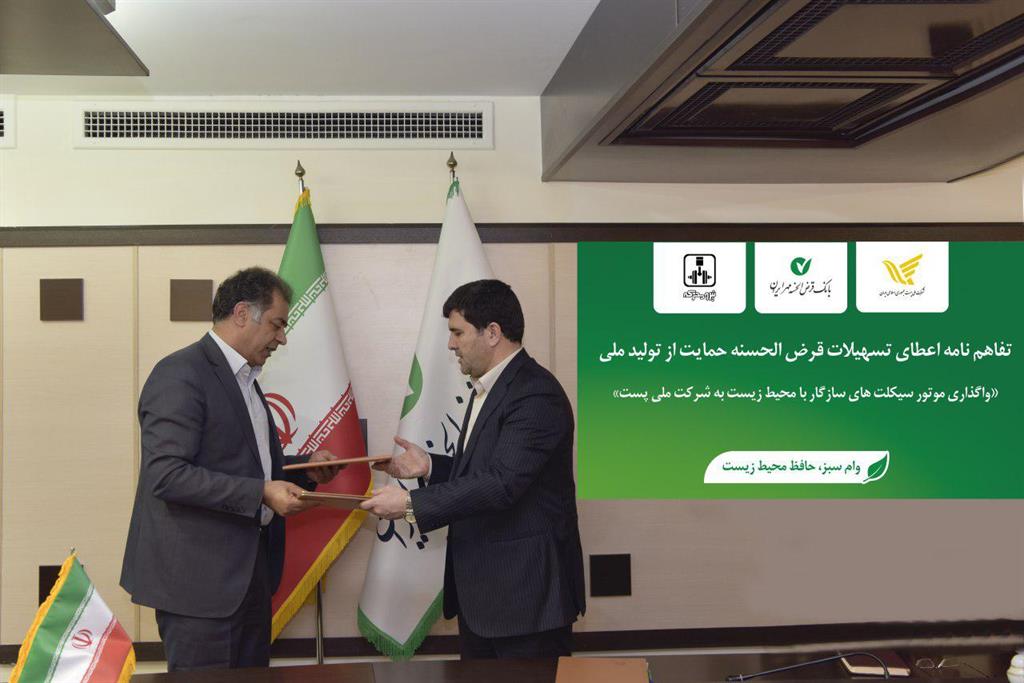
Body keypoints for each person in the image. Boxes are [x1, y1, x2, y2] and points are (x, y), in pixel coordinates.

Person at [120, 266, 341, 670]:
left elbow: (241, 463)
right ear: (242, 313)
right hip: (198, 587)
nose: (282, 338)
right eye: (277, 324)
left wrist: (303, 469)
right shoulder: (181, 374)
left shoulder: (246, 379)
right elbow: (167, 475)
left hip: (249, 580)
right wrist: (262, 492)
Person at [362, 279, 586, 659]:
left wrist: (411, 504)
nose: (451, 344)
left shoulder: (535, 393)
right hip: (483, 600)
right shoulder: (489, 388)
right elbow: (488, 471)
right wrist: (430, 466)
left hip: (526, 603)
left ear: (493, 333)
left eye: (457, 332)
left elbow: (502, 484)